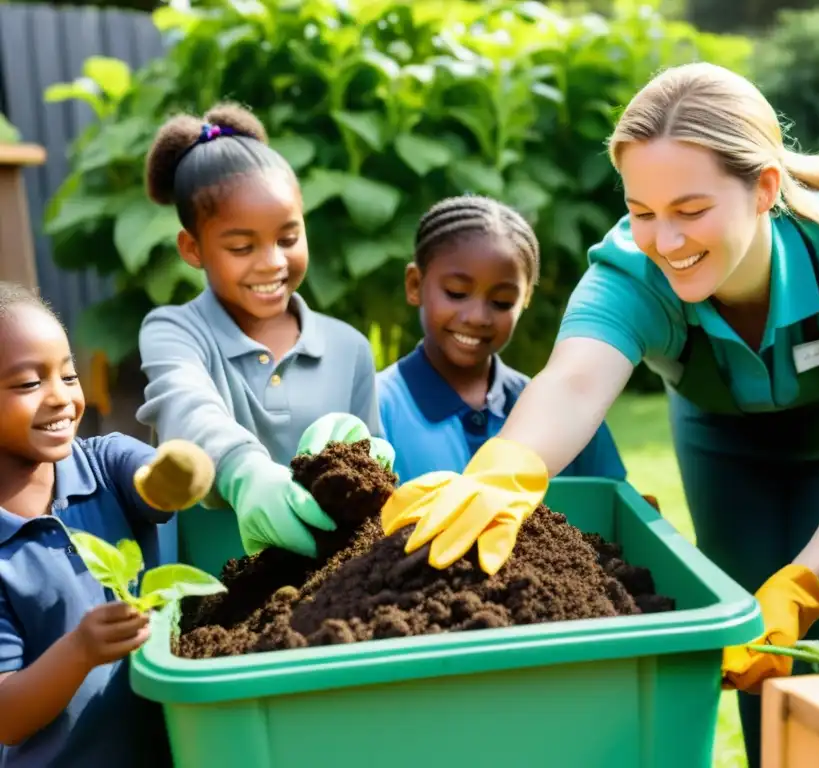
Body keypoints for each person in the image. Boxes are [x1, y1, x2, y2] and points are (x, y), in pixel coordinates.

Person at [378, 62, 819, 765]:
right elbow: (572, 382)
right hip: (720, 424)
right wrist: (502, 474)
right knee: (749, 608)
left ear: (764, 188)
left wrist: (806, 579)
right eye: (641, 212)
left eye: (691, 211)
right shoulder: (631, 271)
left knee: (815, 611)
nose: (665, 241)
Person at [135, 102, 388, 564]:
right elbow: (187, 409)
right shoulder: (174, 332)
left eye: (288, 239)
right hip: (210, 585)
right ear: (193, 248)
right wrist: (244, 472)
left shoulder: (348, 347)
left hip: (331, 583)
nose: (272, 261)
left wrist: (367, 450)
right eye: (241, 246)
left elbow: (374, 472)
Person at [0, 282, 214, 767]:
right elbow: (7, 715)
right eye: (30, 384)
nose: (60, 398)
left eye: (68, 376)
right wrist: (80, 649)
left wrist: (175, 477)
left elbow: (154, 488)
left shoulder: (104, 462)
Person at [376, 194, 627, 484]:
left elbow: (615, 506)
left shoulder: (564, 411)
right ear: (415, 285)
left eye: (502, 301)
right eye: (457, 293)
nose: (477, 317)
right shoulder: (375, 409)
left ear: (525, 300)